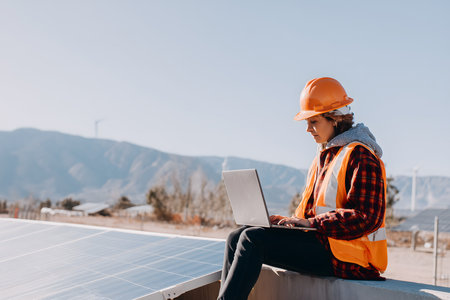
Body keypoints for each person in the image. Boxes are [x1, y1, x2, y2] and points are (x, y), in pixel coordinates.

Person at [217, 77, 387, 300]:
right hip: (325, 244)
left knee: (252, 239)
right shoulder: (325, 157)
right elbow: (314, 213)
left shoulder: (361, 156)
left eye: (313, 122)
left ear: (335, 119)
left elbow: (367, 216)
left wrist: (310, 223)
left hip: (352, 258)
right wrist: (288, 223)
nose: (308, 129)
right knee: (237, 236)